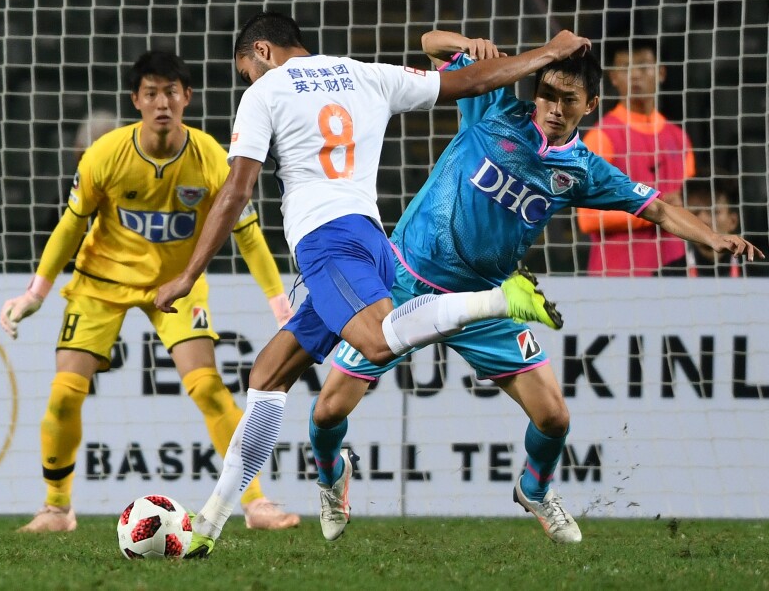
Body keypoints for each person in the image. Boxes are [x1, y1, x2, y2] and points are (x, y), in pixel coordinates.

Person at [154, 12, 596, 558]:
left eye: (248, 70)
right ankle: (209, 524)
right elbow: (469, 81)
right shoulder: (365, 73)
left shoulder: (265, 91)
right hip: (373, 244)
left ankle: (497, 300)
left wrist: (188, 274)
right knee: (267, 376)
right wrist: (545, 53)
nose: (251, 79)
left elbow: (236, 190)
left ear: (262, 51)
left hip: (327, 244)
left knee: (378, 342)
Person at [302, 31, 761, 549]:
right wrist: (470, 43)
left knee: (554, 418)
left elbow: (655, 207)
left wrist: (713, 237)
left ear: (590, 104)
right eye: (547, 94)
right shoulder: (493, 103)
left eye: (569, 100)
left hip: (486, 301)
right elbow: (430, 42)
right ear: (534, 89)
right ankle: (332, 477)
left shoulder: (581, 169)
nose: (555, 109)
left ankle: (534, 489)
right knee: (327, 411)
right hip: (405, 282)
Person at [0, 50, 300, 533]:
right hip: (102, 282)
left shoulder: (212, 158)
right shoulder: (105, 155)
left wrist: (279, 303)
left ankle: (255, 504)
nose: (162, 103)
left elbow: (247, 233)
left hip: (177, 286)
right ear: (136, 100)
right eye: (152, 93)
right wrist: (35, 293)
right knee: (64, 394)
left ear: (187, 97)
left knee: (209, 389)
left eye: (171, 93)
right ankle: (56, 509)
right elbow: (71, 225)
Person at [577, 38, 695, 276]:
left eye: (643, 65)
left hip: (678, 276)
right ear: (613, 77)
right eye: (625, 67)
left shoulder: (679, 138)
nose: (635, 75)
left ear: (661, 72)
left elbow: (692, 205)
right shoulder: (601, 136)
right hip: (618, 277)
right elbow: (588, 218)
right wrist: (656, 210)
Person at [659, 175, 746, 277]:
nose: (703, 220)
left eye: (713, 211)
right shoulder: (667, 277)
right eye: (695, 213)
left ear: (733, 221)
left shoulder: (757, 273)